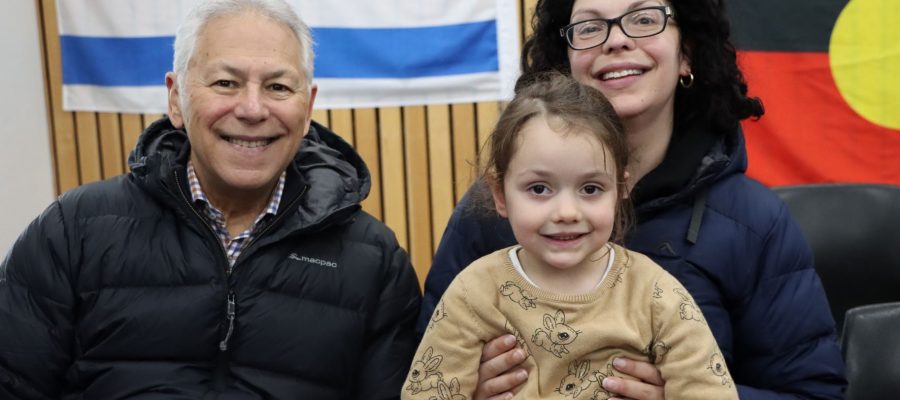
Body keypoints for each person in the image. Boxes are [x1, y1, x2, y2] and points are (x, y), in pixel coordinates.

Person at [418, 0, 847, 399]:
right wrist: (466, 388)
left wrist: (684, 392)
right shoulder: (490, 213)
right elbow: (421, 368)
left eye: (644, 18)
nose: (616, 39)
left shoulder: (753, 221)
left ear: (687, 53)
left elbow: (815, 392)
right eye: (590, 26)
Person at [0, 0, 420, 398]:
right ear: (176, 98)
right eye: (225, 83)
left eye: (277, 86)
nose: (253, 109)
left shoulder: (374, 261)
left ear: (307, 108)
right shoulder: (73, 232)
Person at [404, 72, 738, 400]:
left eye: (591, 188)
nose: (566, 212)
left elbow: (708, 391)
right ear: (501, 194)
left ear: (621, 189)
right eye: (539, 188)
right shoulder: (474, 293)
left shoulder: (654, 293)